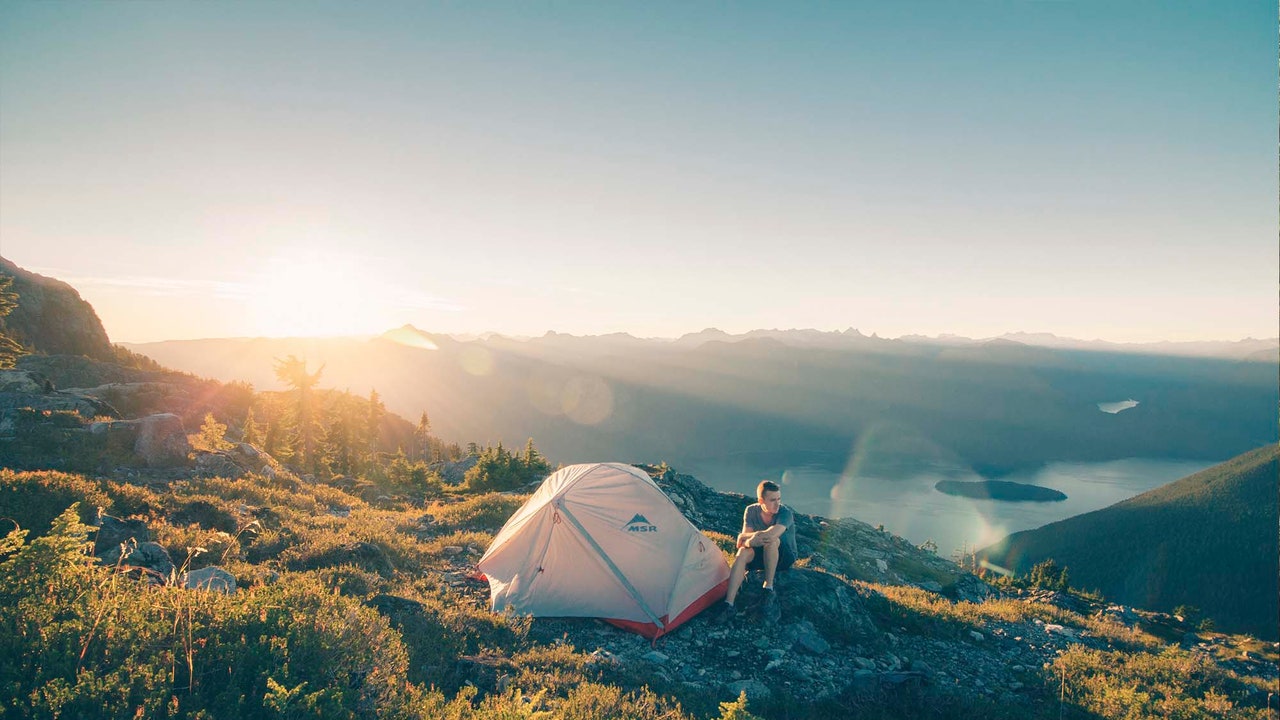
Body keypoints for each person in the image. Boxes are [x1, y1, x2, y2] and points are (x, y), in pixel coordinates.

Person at [711, 480, 796, 624]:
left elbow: (770, 535)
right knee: (743, 552)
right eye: (772, 500)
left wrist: (748, 538)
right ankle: (729, 603)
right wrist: (749, 541)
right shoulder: (751, 510)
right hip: (760, 555)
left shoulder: (785, 513)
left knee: (771, 541)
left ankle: (768, 589)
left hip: (784, 557)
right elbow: (742, 543)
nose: (777, 503)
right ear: (761, 501)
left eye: (779, 499)